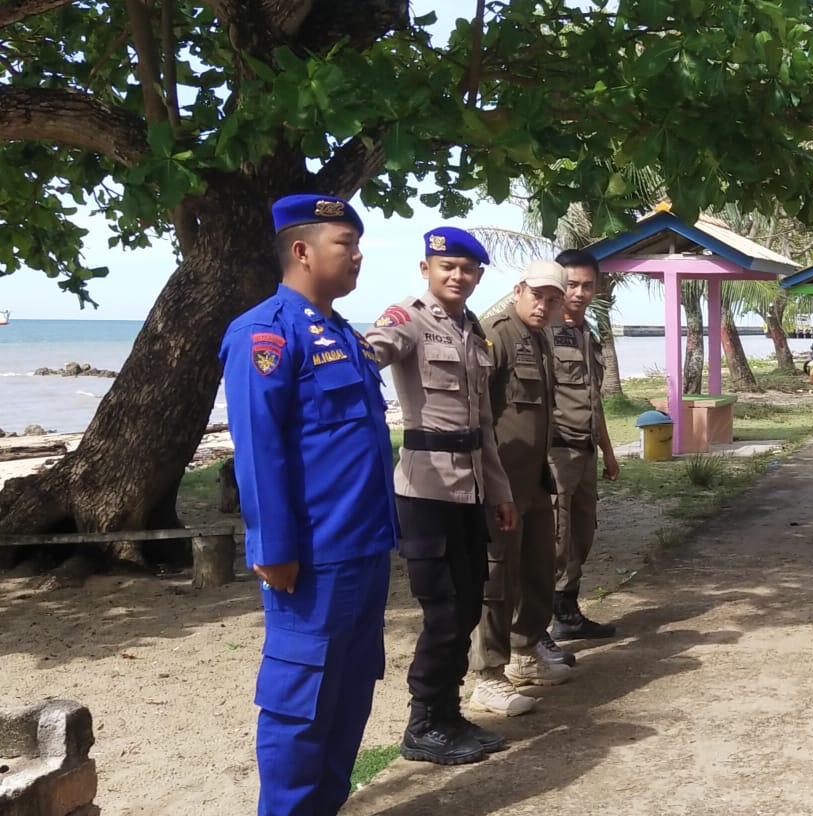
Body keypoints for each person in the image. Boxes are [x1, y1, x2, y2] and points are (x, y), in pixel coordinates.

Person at [220, 195, 397, 816]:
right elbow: (258, 450)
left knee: (348, 697)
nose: (357, 255)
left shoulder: (345, 335)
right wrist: (273, 547)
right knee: (300, 702)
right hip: (313, 558)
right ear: (302, 251)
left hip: (367, 547)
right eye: (345, 243)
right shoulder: (264, 333)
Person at [364, 227, 524, 766]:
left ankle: (449, 714)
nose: (458, 276)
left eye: (468, 269)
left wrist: (498, 492)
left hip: (471, 488)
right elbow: (367, 356)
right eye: (447, 267)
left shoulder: (472, 331)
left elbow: (483, 426)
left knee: (470, 602)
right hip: (425, 489)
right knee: (443, 611)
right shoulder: (407, 319)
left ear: (479, 276)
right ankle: (423, 722)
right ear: (426, 269)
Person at [469, 259, 575, 697]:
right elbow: (478, 410)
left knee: (537, 569)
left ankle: (525, 654)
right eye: (537, 295)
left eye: (553, 299)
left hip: (533, 481)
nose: (544, 305)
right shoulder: (498, 334)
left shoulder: (540, 338)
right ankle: (488, 675)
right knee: (497, 579)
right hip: (501, 482)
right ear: (518, 291)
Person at [548, 249, 622, 642]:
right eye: (571, 284)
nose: (578, 293)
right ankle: (534, 629)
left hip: (586, 450)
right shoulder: (541, 329)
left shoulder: (586, 332)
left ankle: (568, 615)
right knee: (554, 538)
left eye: (587, 285)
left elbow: (594, 399)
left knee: (581, 534)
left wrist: (608, 452)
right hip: (555, 452)